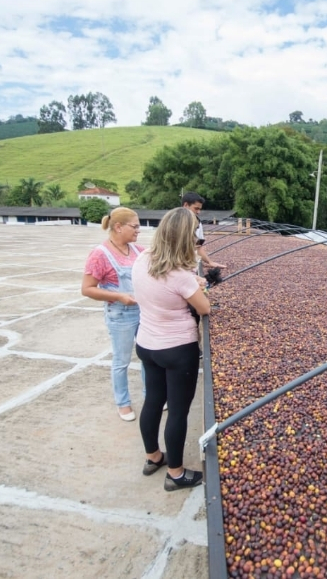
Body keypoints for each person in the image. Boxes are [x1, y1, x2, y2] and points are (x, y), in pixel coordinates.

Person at [132, 207, 210, 491]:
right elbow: (204, 308)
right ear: (184, 236)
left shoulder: (141, 259)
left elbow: (160, 291)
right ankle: (176, 474)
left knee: (153, 400)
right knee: (177, 411)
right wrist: (198, 286)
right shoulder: (180, 274)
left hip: (146, 345)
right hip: (177, 350)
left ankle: (153, 457)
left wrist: (193, 283)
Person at [81, 207, 145, 422]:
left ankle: (150, 395)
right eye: (135, 226)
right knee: (122, 360)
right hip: (121, 314)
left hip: (143, 312)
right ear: (118, 227)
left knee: (147, 356)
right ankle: (123, 403)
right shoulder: (100, 254)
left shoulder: (138, 251)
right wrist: (119, 296)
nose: (139, 230)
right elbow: (87, 288)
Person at [181, 192, 226, 269]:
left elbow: (198, 247)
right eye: (196, 208)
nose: (198, 212)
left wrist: (210, 262)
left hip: (189, 266)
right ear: (186, 205)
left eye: (199, 209)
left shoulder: (198, 224)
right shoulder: (172, 222)